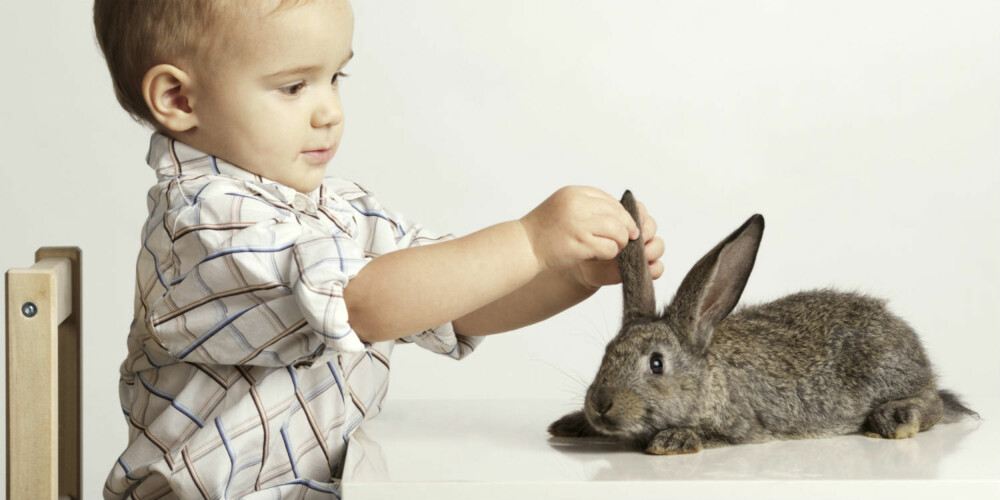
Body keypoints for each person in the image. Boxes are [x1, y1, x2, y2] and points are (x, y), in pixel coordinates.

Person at [93, 0, 665, 497]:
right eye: (294, 86)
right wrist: (531, 240)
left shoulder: (335, 211)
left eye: (336, 77)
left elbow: (452, 301)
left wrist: (572, 274)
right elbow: (363, 305)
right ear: (177, 98)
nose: (330, 111)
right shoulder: (203, 226)